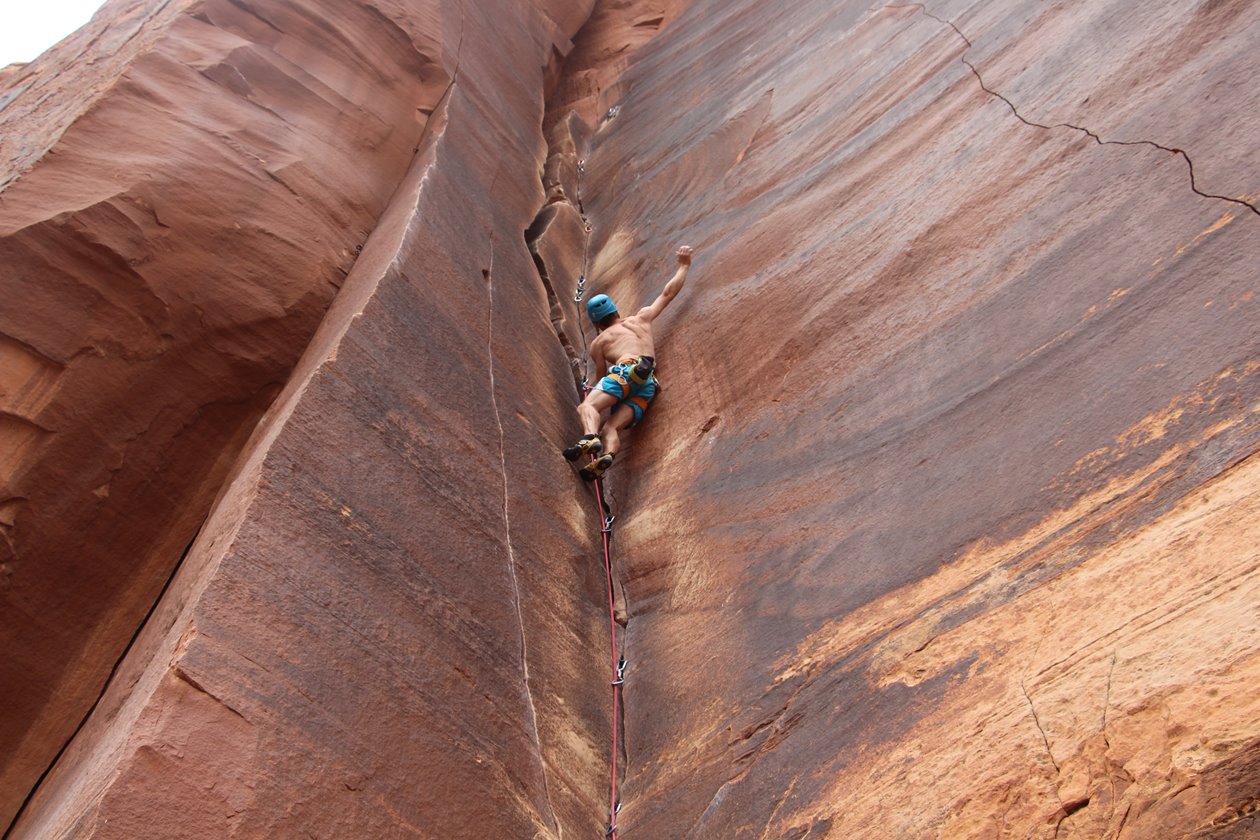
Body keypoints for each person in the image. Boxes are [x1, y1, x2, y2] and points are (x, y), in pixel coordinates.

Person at [564, 245, 693, 480]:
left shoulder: (600, 342)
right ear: (615, 310)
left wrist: (593, 394)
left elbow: (602, 377)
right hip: (647, 386)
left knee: (588, 407)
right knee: (611, 428)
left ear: (595, 323)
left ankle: (590, 438)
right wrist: (684, 265)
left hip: (623, 373)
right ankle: (607, 457)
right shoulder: (640, 319)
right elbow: (667, 294)